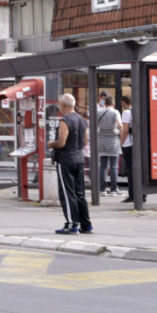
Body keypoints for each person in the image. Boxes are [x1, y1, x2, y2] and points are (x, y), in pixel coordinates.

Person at [47, 93, 92, 235]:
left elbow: (61, 142)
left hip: (66, 159)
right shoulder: (82, 120)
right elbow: (85, 142)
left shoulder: (65, 121)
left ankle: (72, 224)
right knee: (80, 193)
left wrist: (51, 144)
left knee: (67, 193)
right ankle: (86, 224)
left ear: (64, 105)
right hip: (79, 158)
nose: (59, 106)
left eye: (60, 104)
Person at [118, 95, 145, 204]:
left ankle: (132, 195)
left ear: (123, 102)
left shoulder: (126, 113)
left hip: (128, 144)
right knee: (140, 170)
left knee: (130, 170)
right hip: (139, 144)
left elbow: (125, 130)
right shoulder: (138, 111)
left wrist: (121, 143)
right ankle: (142, 195)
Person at [96, 95, 122, 196]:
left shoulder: (99, 112)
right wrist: (119, 131)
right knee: (114, 166)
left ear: (105, 103)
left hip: (101, 140)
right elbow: (119, 125)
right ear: (113, 103)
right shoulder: (115, 112)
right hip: (113, 141)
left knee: (103, 165)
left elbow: (93, 125)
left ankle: (102, 189)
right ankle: (113, 189)